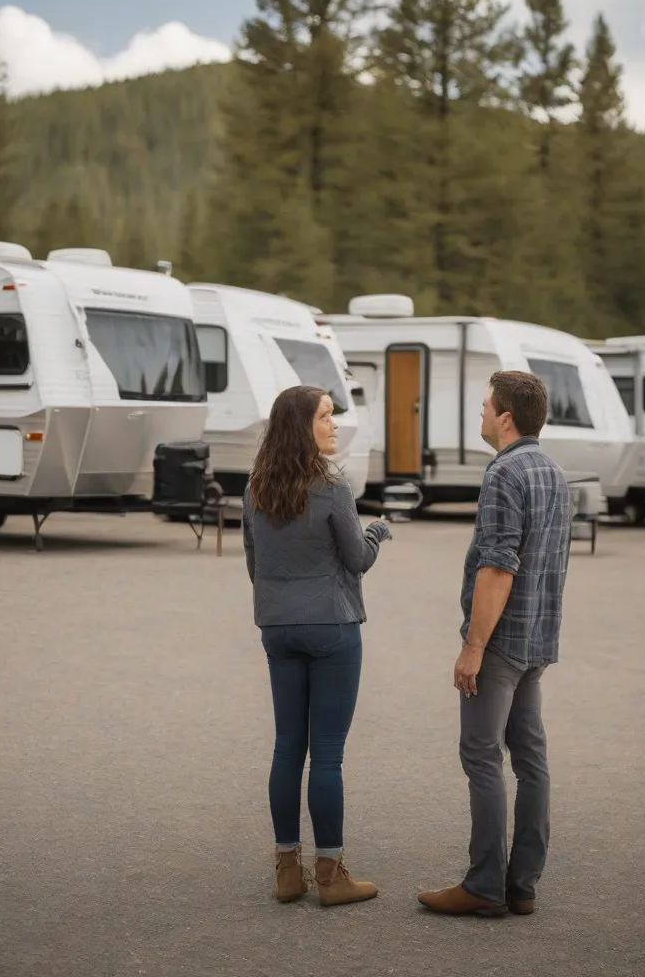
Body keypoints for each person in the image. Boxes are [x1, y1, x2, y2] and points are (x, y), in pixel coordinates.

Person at [418, 370, 572, 918]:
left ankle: (484, 885)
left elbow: (498, 568)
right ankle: (522, 885)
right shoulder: (553, 472)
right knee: (531, 761)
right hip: (538, 638)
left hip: (503, 640)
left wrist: (473, 647)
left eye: (486, 407)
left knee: (482, 757)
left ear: (506, 417)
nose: (481, 415)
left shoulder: (504, 473)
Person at [242, 384, 392, 907]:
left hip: (277, 627)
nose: (333, 424)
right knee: (326, 754)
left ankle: (288, 869)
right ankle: (330, 874)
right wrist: (376, 533)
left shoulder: (256, 487)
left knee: (288, 746)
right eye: (326, 416)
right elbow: (355, 560)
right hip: (332, 626)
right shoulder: (332, 486)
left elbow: (254, 565)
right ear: (302, 425)